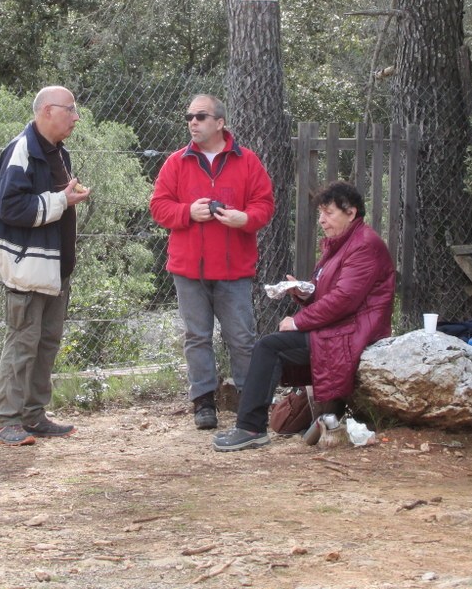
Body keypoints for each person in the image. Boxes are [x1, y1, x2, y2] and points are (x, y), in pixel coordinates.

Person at [212, 180, 395, 451]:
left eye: (329, 213)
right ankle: (253, 425)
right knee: (271, 347)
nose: (322, 220)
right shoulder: (341, 243)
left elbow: (344, 300)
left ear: (351, 213)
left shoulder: (365, 245)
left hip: (353, 333)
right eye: (320, 213)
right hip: (339, 328)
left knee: (269, 347)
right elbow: (333, 292)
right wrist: (304, 293)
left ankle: (250, 428)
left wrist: (299, 320)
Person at [149, 94, 275, 430]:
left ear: (220, 123)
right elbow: (158, 206)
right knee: (197, 337)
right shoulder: (176, 162)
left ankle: (251, 404)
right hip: (189, 270)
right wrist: (186, 212)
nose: (193, 122)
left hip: (234, 271)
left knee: (242, 337)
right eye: (189, 116)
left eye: (201, 116)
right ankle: (204, 403)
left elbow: (265, 205)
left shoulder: (247, 162)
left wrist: (244, 219)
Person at [0, 86, 91, 446]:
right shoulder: (21, 151)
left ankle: (33, 415)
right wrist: (61, 201)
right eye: (70, 110)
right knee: (22, 343)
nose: (76, 117)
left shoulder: (59, 152)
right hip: (27, 268)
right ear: (46, 110)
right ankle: (8, 421)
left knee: (46, 342)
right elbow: (9, 207)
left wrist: (65, 200)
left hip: (55, 268)